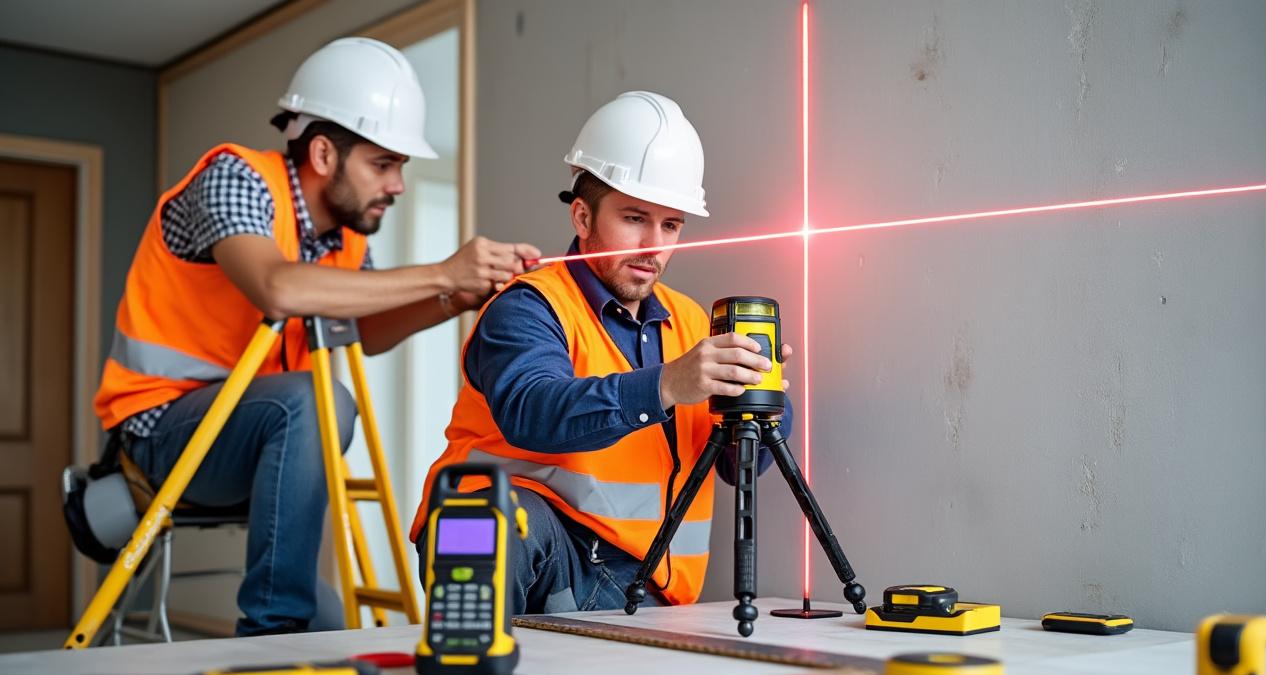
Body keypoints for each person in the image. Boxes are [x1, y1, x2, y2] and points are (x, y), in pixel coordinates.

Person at [92, 37, 538, 636]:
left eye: (400, 167)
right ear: (324, 152)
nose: (398, 185)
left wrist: (453, 298)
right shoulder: (235, 180)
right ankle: (272, 628)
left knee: (332, 627)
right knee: (313, 400)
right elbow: (277, 288)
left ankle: (293, 618)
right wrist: (440, 271)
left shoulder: (345, 240)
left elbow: (369, 333)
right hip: (160, 430)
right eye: (383, 164)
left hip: (246, 430)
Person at [411, 91, 793, 614]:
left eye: (671, 225)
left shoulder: (689, 322)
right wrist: (665, 384)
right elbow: (532, 411)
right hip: (533, 549)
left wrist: (762, 407)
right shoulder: (528, 307)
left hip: (648, 584)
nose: (653, 245)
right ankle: (469, 671)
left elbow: (732, 468)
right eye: (635, 218)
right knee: (485, 519)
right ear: (582, 216)